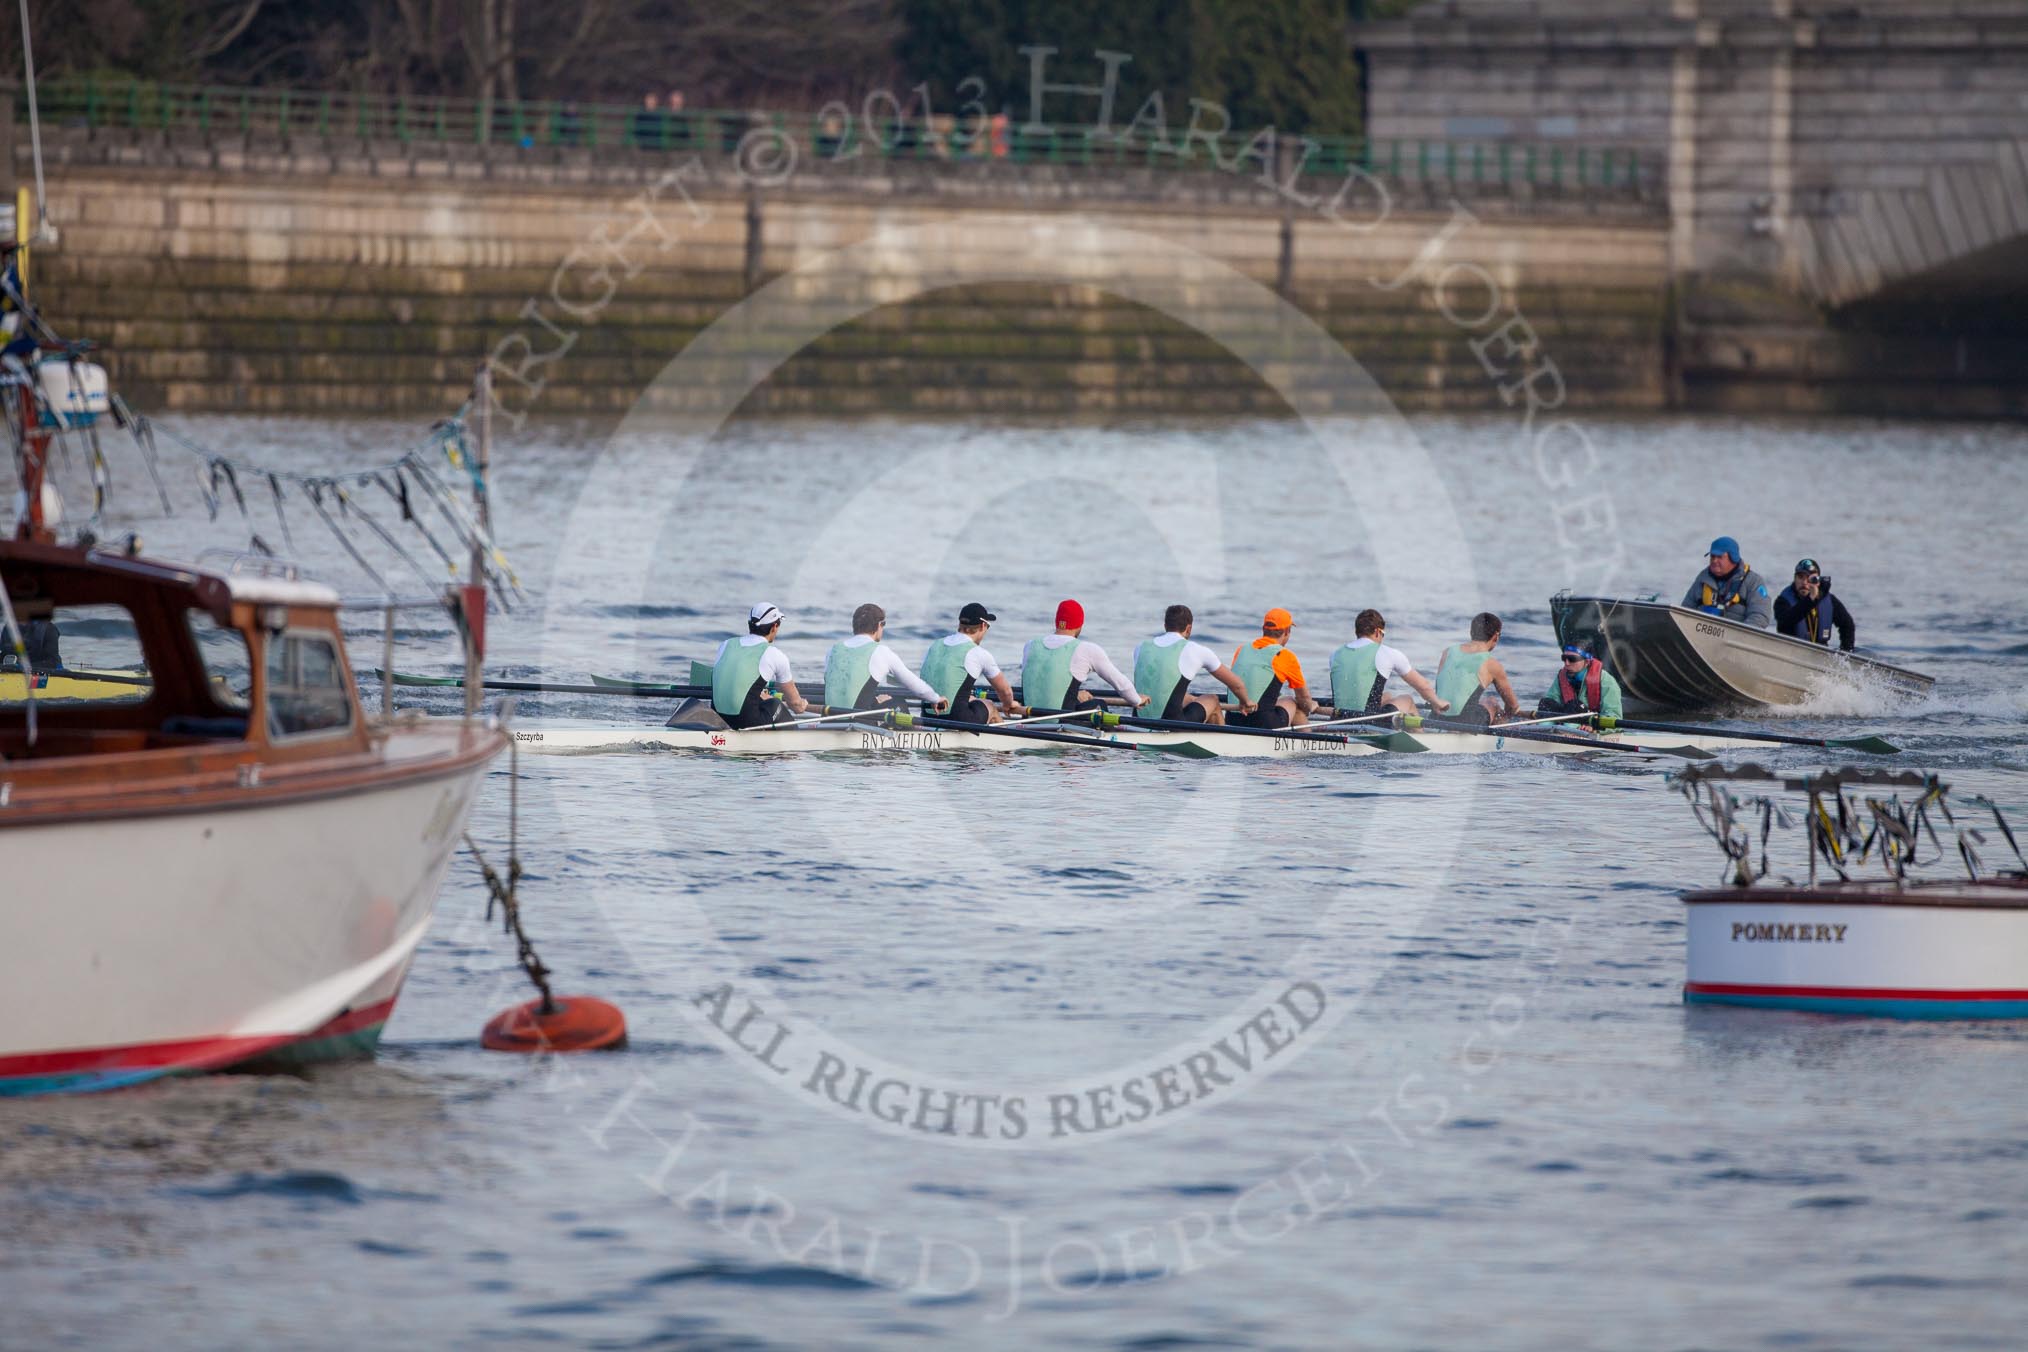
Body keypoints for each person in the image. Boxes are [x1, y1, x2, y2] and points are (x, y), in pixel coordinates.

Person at [1020, 599, 1149, 715]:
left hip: (1028, 719)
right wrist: (1137, 700)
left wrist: (1074, 695)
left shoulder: (1030, 645)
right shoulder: (1086, 649)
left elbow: (1047, 684)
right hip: (1061, 725)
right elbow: (1122, 685)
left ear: (1057, 622)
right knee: (1099, 706)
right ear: (1080, 625)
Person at [1131, 604, 1254, 725]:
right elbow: (1237, 685)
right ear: (1189, 628)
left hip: (1137, 721)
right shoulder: (1195, 650)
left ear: (1165, 626)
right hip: (1172, 725)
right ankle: (1223, 742)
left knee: (1188, 698)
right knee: (1212, 700)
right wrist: (1246, 702)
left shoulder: (1141, 647)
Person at [823, 603, 945, 713]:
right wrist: (936, 698)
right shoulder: (881, 651)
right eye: (884, 624)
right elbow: (913, 684)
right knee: (898, 703)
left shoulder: (833, 650)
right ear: (879, 625)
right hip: (857, 724)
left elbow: (845, 686)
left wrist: (874, 701)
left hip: (828, 720)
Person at [1329, 609, 1449, 718]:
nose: (1382, 638)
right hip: (1368, 722)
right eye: (1383, 634)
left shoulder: (1335, 654)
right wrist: (1437, 702)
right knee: (1407, 700)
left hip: (1339, 719)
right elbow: (1423, 686)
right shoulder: (1386, 652)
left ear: (1357, 632)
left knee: (1387, 696)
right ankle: (1421, 737)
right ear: (1377, 632)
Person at [710, 602, 810, 728]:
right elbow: (795, 705)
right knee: (775, 704)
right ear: (774, 627)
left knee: (762, 700)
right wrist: (801, 705)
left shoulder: (725, 645)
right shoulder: (774, 654)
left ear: (749, 624)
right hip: (745, 721)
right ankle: (796, 742)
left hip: (716, 716)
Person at [921, 602, 1021, 724]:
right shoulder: (978, 652)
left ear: (960, 624)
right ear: (983, 625)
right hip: (957, 719)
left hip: (926, 716)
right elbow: (1005, 691)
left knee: (970, 699)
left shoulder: (935, 645)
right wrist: (1008, 704)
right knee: (990, 705)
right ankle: (1005, 741)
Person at [1228, 607, 1316, 729]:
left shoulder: (1241, 650)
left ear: (1263, 629)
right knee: (1291, 701)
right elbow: (1304, 698)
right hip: (1263, 724)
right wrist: (1311, 707)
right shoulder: (1286, 656)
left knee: (1274, 700)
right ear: (1287, 632)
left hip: (1232, 719)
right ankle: (1308, 741)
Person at [1432, 612, 1525, 725]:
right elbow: (1512, 706)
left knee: (1479, 703)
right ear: (1496, 636)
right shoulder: (1492, 664)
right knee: (1492, 702)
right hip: (1465, 723)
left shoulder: (1448, 652)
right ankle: (1499, 738)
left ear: (1471, 632)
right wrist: (1511, 713)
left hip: (1435, 717)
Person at [1683, 536, 1773, 628]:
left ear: (1733, 557)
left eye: (1719, 557)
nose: (1714, 561)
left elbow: (1760, 616)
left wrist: (1742, 633)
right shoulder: (1702, 579)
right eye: (1712, 556)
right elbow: (1684, 611)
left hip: (1737, 635)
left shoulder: (1753, 581)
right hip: (1701, 631)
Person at [1773, 558, 1855, 651]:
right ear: (1794, 579)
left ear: (1818, 581)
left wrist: (1845, 653)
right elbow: (1785, 623)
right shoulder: (1783, 601)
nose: (1804, 582)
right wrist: (1811, 599)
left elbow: (1848, 625)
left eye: (1810, 578)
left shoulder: (1829, 601)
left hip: (1820, 653)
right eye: (1800, 577)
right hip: (1792, 651)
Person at [1537, 643, 1623, 721]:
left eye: (1572, 659)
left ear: (1586, 661)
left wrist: (1595, 728)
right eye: (1564, 658)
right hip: (1570, 719)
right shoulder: (1562, 676)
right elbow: (1552, 701)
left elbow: (1614, 716)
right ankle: (1545, 727)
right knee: (1546, 704)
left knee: (1575, 707)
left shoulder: (1607, 682)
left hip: (1594, 724)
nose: (1566, 663)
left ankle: (1569, 730)